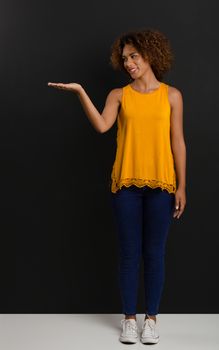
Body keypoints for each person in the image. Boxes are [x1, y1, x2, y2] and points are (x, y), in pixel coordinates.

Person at [47, 27, 186, 345]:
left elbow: (178, 142)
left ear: (150, 54)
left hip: (163, 185)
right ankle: (128, 320)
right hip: (125, 185)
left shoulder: (172, 95)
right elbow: (101, 125)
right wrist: (81, 91)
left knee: (154, 254)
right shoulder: (119, 96)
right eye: (124, 58)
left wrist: (182, 186)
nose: (128, 63)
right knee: (128, 254)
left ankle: (151, 319)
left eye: (134, 56)